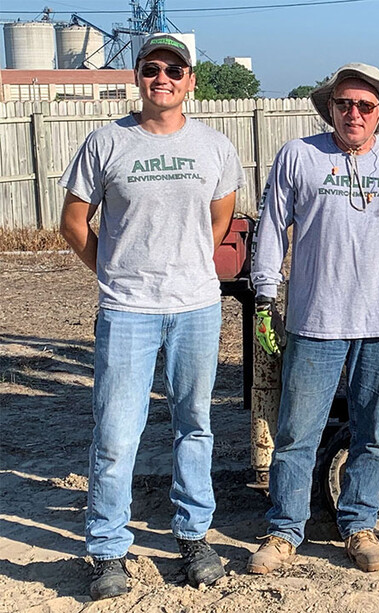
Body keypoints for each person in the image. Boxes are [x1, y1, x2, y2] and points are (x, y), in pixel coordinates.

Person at [58, 33, 243, 600]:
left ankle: (193, 535)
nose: (161, 77)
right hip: (128, 310)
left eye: (173, 69)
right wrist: (112, 273)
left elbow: (219, 223)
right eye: (150, 68)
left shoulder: (215, 146)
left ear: (190, 81)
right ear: (136, 78)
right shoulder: (106, 142)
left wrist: (184, 271)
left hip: (195, 306)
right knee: (116, 432)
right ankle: (107, 548)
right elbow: (73, 223)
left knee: (195, 424)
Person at [247, 63, 379, 575]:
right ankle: (285, 530)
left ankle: (359, 526)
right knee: (296, 433)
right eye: (344, 104)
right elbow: (270, 230)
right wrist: (265, 297)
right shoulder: (300, 156)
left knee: (371, 432)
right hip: (315, 320)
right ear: (330, 107)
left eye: (364, 105)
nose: (353, 113)